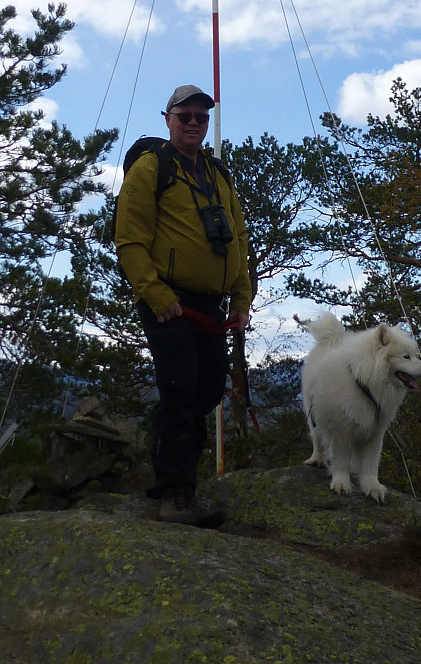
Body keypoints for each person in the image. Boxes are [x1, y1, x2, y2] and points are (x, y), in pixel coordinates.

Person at [115, 84, 252, 526]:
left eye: (201, 117)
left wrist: (241, 297)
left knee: (208, 390)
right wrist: (157, 296)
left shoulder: (217, 174)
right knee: (180, 389)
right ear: (168, 118)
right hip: (169, 302)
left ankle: (185, 490)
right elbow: (130, 239)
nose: (194, 123)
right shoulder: (150, 169)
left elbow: (239, 237)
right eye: (185, 115)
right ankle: (171, 494)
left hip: (211, 305)